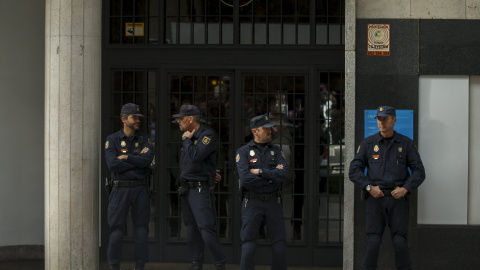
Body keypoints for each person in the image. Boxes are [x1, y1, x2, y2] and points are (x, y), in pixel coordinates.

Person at [349, 106, 426, 270]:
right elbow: (354, 171)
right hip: (375, 199)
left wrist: (405, 189)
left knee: (399, 242)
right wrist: (369, 187)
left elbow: (419, 171)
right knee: (373, 242)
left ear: (394, 120)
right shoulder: (368, 144)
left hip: (398, 199)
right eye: (378, 118)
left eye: (385, 118)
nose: (381, 122)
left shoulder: (406, 144)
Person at [172, 104, 227, 270]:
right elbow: (184, 163)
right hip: (187, 189)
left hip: (200, 189)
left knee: (206, 231)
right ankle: (197, 263)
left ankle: (220, 263)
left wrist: (187, 140)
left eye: (180, 118)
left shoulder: (206, 135)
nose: (178, 122)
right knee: (191, 231)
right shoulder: (185, 136)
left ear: (190, 119)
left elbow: (196, 156)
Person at [104, 103, 155, 270]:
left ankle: (139, 266)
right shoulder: (112, 140)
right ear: (123, 119)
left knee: (141, 230)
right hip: (119, 189)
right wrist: (136, 160)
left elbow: (147, 161)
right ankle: (114, 266)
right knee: (116, 230)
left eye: (138, 117)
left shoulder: (145, 139)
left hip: (140, 188)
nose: (137, 120)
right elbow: (112, 164)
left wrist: (126, 158)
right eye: (134, 117)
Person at [235, 115, 289, 270]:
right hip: (252, 202)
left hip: (273, 201)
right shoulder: (243, 152)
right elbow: (245, 179)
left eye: (269, 128)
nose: (269, 131)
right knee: (248, 246)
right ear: (255, 131)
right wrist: (272, 176)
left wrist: (260, 172)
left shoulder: (277, 151)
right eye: (265, 128)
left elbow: (284, 174)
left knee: (279, 245)